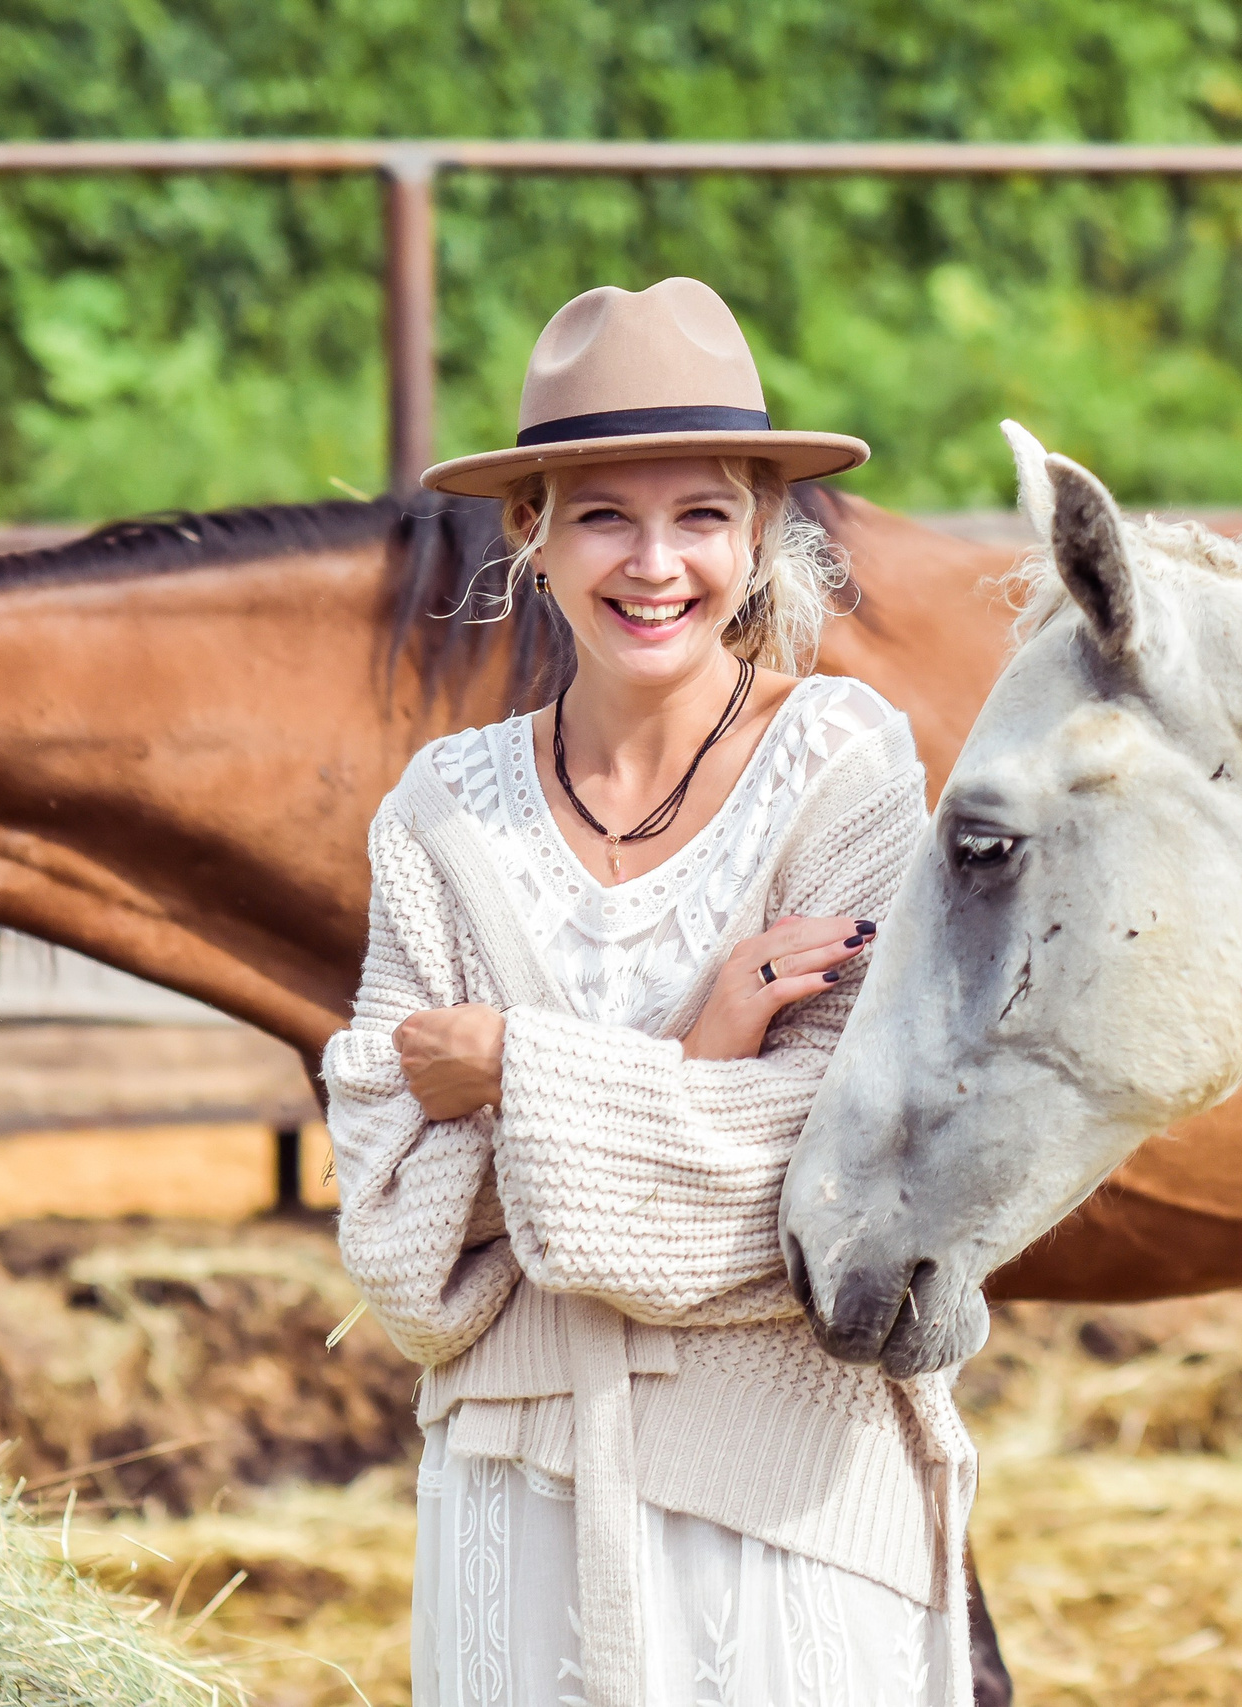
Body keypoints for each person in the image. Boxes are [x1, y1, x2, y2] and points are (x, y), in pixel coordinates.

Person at [324, 276, 973, 1707]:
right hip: (515, 1491)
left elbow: (842, 1166)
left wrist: (513, 1075)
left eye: (701, 516)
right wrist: (695, 1046)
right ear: (532, 531)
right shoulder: (443, 814)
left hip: (785, 1494)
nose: (655, 563)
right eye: (605, 513)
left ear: (759, 532)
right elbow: (392, 1238)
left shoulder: (845, 770)